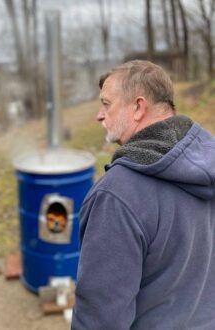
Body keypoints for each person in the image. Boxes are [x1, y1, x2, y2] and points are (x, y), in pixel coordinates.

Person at [71, 60, 215, 329]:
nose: (99, 116)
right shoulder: (209, 162)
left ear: (138, 107)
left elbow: (100, 320)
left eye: (106, 104)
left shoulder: (116, 196)